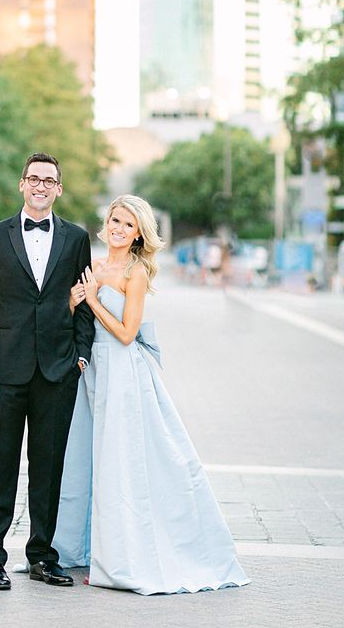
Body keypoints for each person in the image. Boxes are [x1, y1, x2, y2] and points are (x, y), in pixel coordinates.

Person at [53, 194, 251, 596]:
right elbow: (81, 326)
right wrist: (74, 306)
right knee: (86, 458)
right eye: (114, 220)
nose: (118, 229)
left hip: (123, 374)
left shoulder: (136, 272)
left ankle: (120, 557)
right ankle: (84, 548)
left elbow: (127, 333)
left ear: (139, 232)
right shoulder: (92, 265)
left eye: (128, 224)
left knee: (120, 460)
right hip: (93, 373)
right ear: (105, 223)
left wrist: (92, 299)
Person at [0, 153, 95, 592]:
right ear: (22, 184)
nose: (41, 186)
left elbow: (84, 300)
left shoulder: (77, 238)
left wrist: (81, 356)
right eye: (34, 178)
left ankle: (42, 554)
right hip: (4, 372)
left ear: (59, 189)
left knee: (48, 468)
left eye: (50, 181)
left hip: (57, 372)